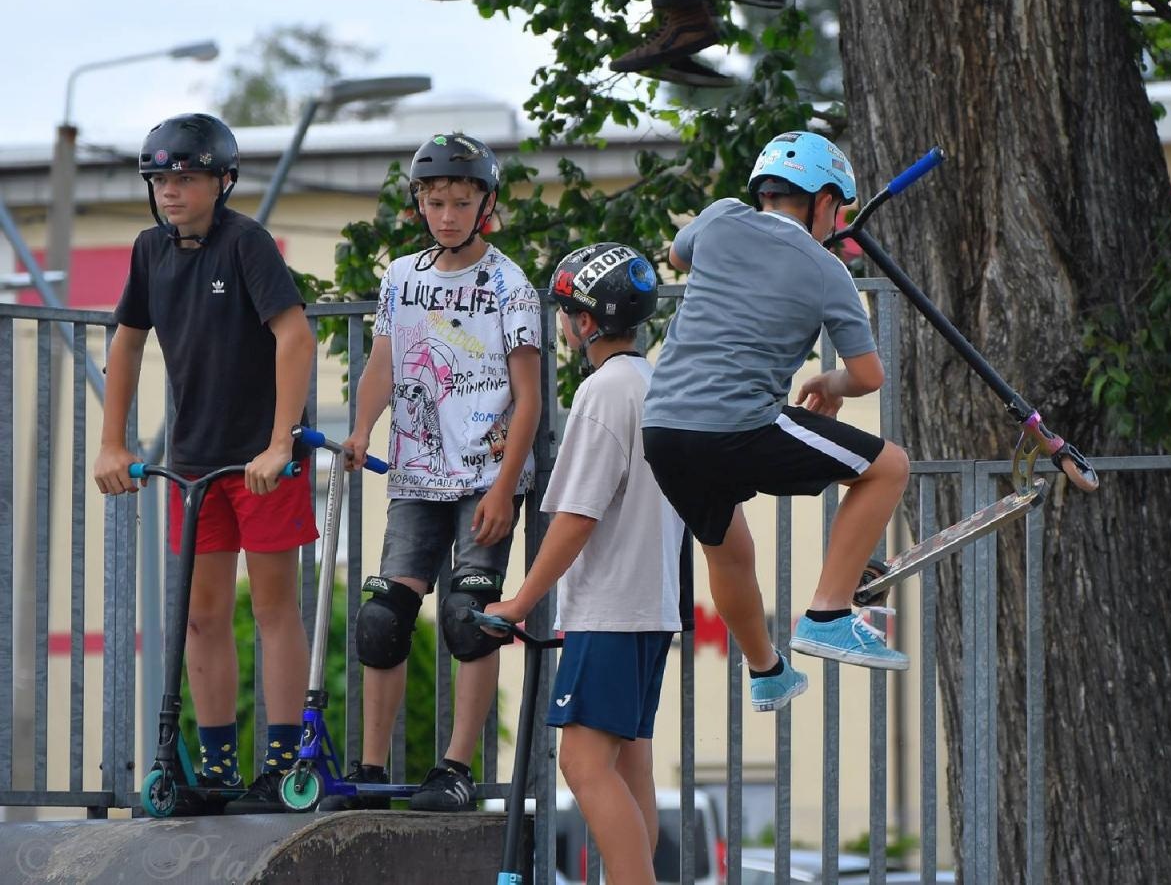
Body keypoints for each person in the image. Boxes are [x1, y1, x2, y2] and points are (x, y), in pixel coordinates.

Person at [640, 130, 911, 714]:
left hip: (662, 428)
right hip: (739, 424)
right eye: (835, 209)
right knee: (888, 467)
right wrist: (828, 383)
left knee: (726, 547)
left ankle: (766, 672)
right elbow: (868, 375)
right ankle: (830, 612)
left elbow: (677, 257)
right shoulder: (825, 269)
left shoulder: (718, 220)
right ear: (822, 201)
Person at [94, 112, 318, 813]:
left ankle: (282, 766)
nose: (170, 190)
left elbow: (296, 336)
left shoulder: (246, 243)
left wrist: (281, 442)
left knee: (275, 610)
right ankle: (217, 769)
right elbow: (127, 343)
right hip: (192, 461)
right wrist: (111, 442)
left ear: (223, 181)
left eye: (185, 178)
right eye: (160, 179)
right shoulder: (148, 251)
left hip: (259, 458)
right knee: (201, 617)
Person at [322, 132, 543, 812]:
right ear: (419, 203)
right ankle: (367, 769)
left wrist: (506, 486)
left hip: (485, 475)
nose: (447, 214)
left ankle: (454, 769)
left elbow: (529, 394)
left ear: (487, 204)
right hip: (416, 474)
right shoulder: (402, 278)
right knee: (383, 619)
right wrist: (360, 429)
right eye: (436, 201)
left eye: (461, 201)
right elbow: (383, 363)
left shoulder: (511, 284)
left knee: (469, 618)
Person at [486, 241, 686, 885]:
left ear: (586, 321)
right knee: (631, 769)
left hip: (610, 608)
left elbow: (576, 516)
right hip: (651, 606)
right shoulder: (656, 386)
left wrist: (519, 602)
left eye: (568, 311)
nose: (566, 325)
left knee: (582, 764)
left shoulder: (605, 392)